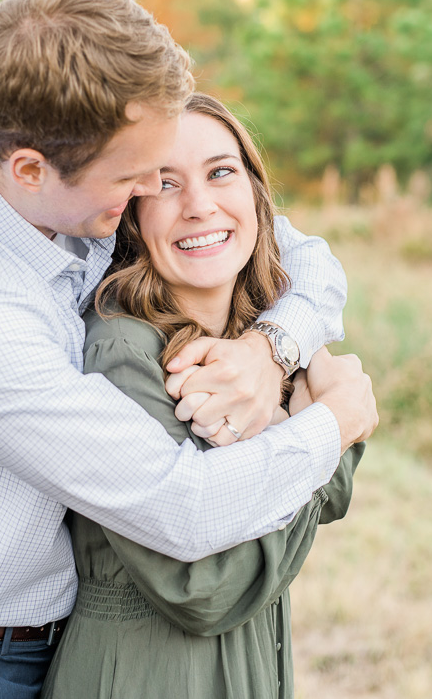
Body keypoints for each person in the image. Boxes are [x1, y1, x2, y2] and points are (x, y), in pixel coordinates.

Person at [0, 0, 378, 698]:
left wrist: (268, 352)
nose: (154, 193)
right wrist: (333, 425)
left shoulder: (69, 187)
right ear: (29, 169)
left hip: (51, 646)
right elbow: (179, 509)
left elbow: (303, 257)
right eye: (139, 178)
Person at [41, 93, 365, 699]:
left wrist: (310, 420)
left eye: (221, 172)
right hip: (143, 672)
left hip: (249, 660)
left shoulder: (261, 342)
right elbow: (203, 589)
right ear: (132, 215)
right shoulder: (121, 351)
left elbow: (332, 496)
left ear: (256, 195)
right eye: (165, 184)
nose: (199, 206)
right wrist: (334, 427)